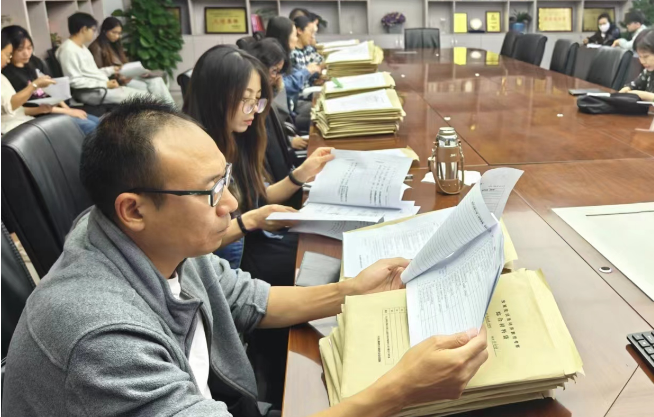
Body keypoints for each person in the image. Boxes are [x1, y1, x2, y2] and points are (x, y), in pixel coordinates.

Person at [1, 97, 489, 417]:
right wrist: (400, 390)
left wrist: (350, 290)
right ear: (134, 209)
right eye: (211, 191)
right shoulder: (100, 337)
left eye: (226, 179)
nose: (232, 203)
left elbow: (248, 299)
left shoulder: (154, 239)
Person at [183, 44, 330, 284]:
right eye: (245, 99)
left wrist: (302, 174)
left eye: (257, 99)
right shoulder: (190, 156)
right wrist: (250, 220)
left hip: (254, 242)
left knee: (325, 246)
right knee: (323, 262)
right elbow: (197, 245)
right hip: (230, 267)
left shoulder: (236, 137)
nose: (254, 110)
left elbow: (259, 197)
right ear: (215, 96)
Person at [1, 25, 100, 135]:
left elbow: (52, 89)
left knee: (100, 124)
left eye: (29, 48)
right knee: (91, 128)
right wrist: (68, 111)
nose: (26, 53)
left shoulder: (34, 62)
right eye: (20, 50)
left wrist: (68, 109)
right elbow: (19, 108)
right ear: (10, 50)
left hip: (55, 109)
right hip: (41, 115)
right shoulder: (7, 74)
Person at [55, 12, 154, 105]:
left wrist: (112, 70)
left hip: (100, 88)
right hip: (91, 92)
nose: (94, 33)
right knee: (147, 99)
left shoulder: (81, 47)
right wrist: (105, 84)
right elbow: (74, 81)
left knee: (148, 96)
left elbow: (92, 72)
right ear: (84, 29)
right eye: (93, 30)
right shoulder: (68, 50)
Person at [88, 16, 175, 104]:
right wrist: (119, 78)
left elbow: (124, 64)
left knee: (157, 81)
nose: (117, 36)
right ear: (104, 31)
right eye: (114, 32)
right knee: (148, 88)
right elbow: (98, 73)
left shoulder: (115, 44)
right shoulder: (96, 47)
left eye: (119, 33)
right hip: (117, 81)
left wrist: (139, 71)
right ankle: (168, 110)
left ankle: (171, 109)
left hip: (128, 77)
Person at [242, 37, 308, 150]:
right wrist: (288, 141)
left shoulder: (268, 87)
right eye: (274, 71)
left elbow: (281, 118)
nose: (276, 77)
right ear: (261, 64)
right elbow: (259, 132)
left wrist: (279, 89)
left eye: (279, 72)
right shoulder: (253, 94)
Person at [265, 16, 318, 132]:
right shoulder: (273, 61)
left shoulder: (284, 58)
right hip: (286, 119)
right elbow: (287, 85)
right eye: (294, 35)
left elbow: (296, 74)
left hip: (290, 113)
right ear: (284, 37)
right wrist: (307, 71)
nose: (296, 39)